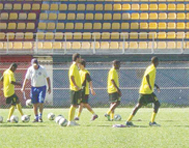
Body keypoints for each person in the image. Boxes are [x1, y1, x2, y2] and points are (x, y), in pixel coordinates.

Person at [126, 56, 161, 127]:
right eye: (158, 62)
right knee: (157, 104)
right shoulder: (153, 68)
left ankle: (128, 121)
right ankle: (152, 122)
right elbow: (147, 76)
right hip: (147, 91)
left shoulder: (149, 67)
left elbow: (148, 77)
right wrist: (149, 85)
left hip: (143, 90)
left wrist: (155, 85)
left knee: (139, 105)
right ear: (156, 62)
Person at [67, 53, 82, 126]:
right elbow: (71, 77)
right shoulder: (73, 66)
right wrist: (75, 85)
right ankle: (70, 121)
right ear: (77, 58)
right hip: (74, 89)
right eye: (80, 58)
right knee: (73, 105)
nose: (80, 59)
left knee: (75, 105)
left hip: (77, 89)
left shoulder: (76, 66)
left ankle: (72, 120)